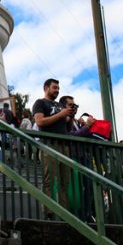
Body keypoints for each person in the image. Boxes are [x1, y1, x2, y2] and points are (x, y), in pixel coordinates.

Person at [32, 80, 76, 217]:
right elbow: (40, 122)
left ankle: (64, 213)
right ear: (46, 88)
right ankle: (49, 212)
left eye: (58, 88)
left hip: (64, 146)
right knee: (49, 180)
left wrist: (71, 116)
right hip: (49, 145)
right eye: (54, 87)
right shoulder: (40, 102)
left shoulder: (60, 105)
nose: (57, 90)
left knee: (65, 182)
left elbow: (66, 127)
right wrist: (61, 114)